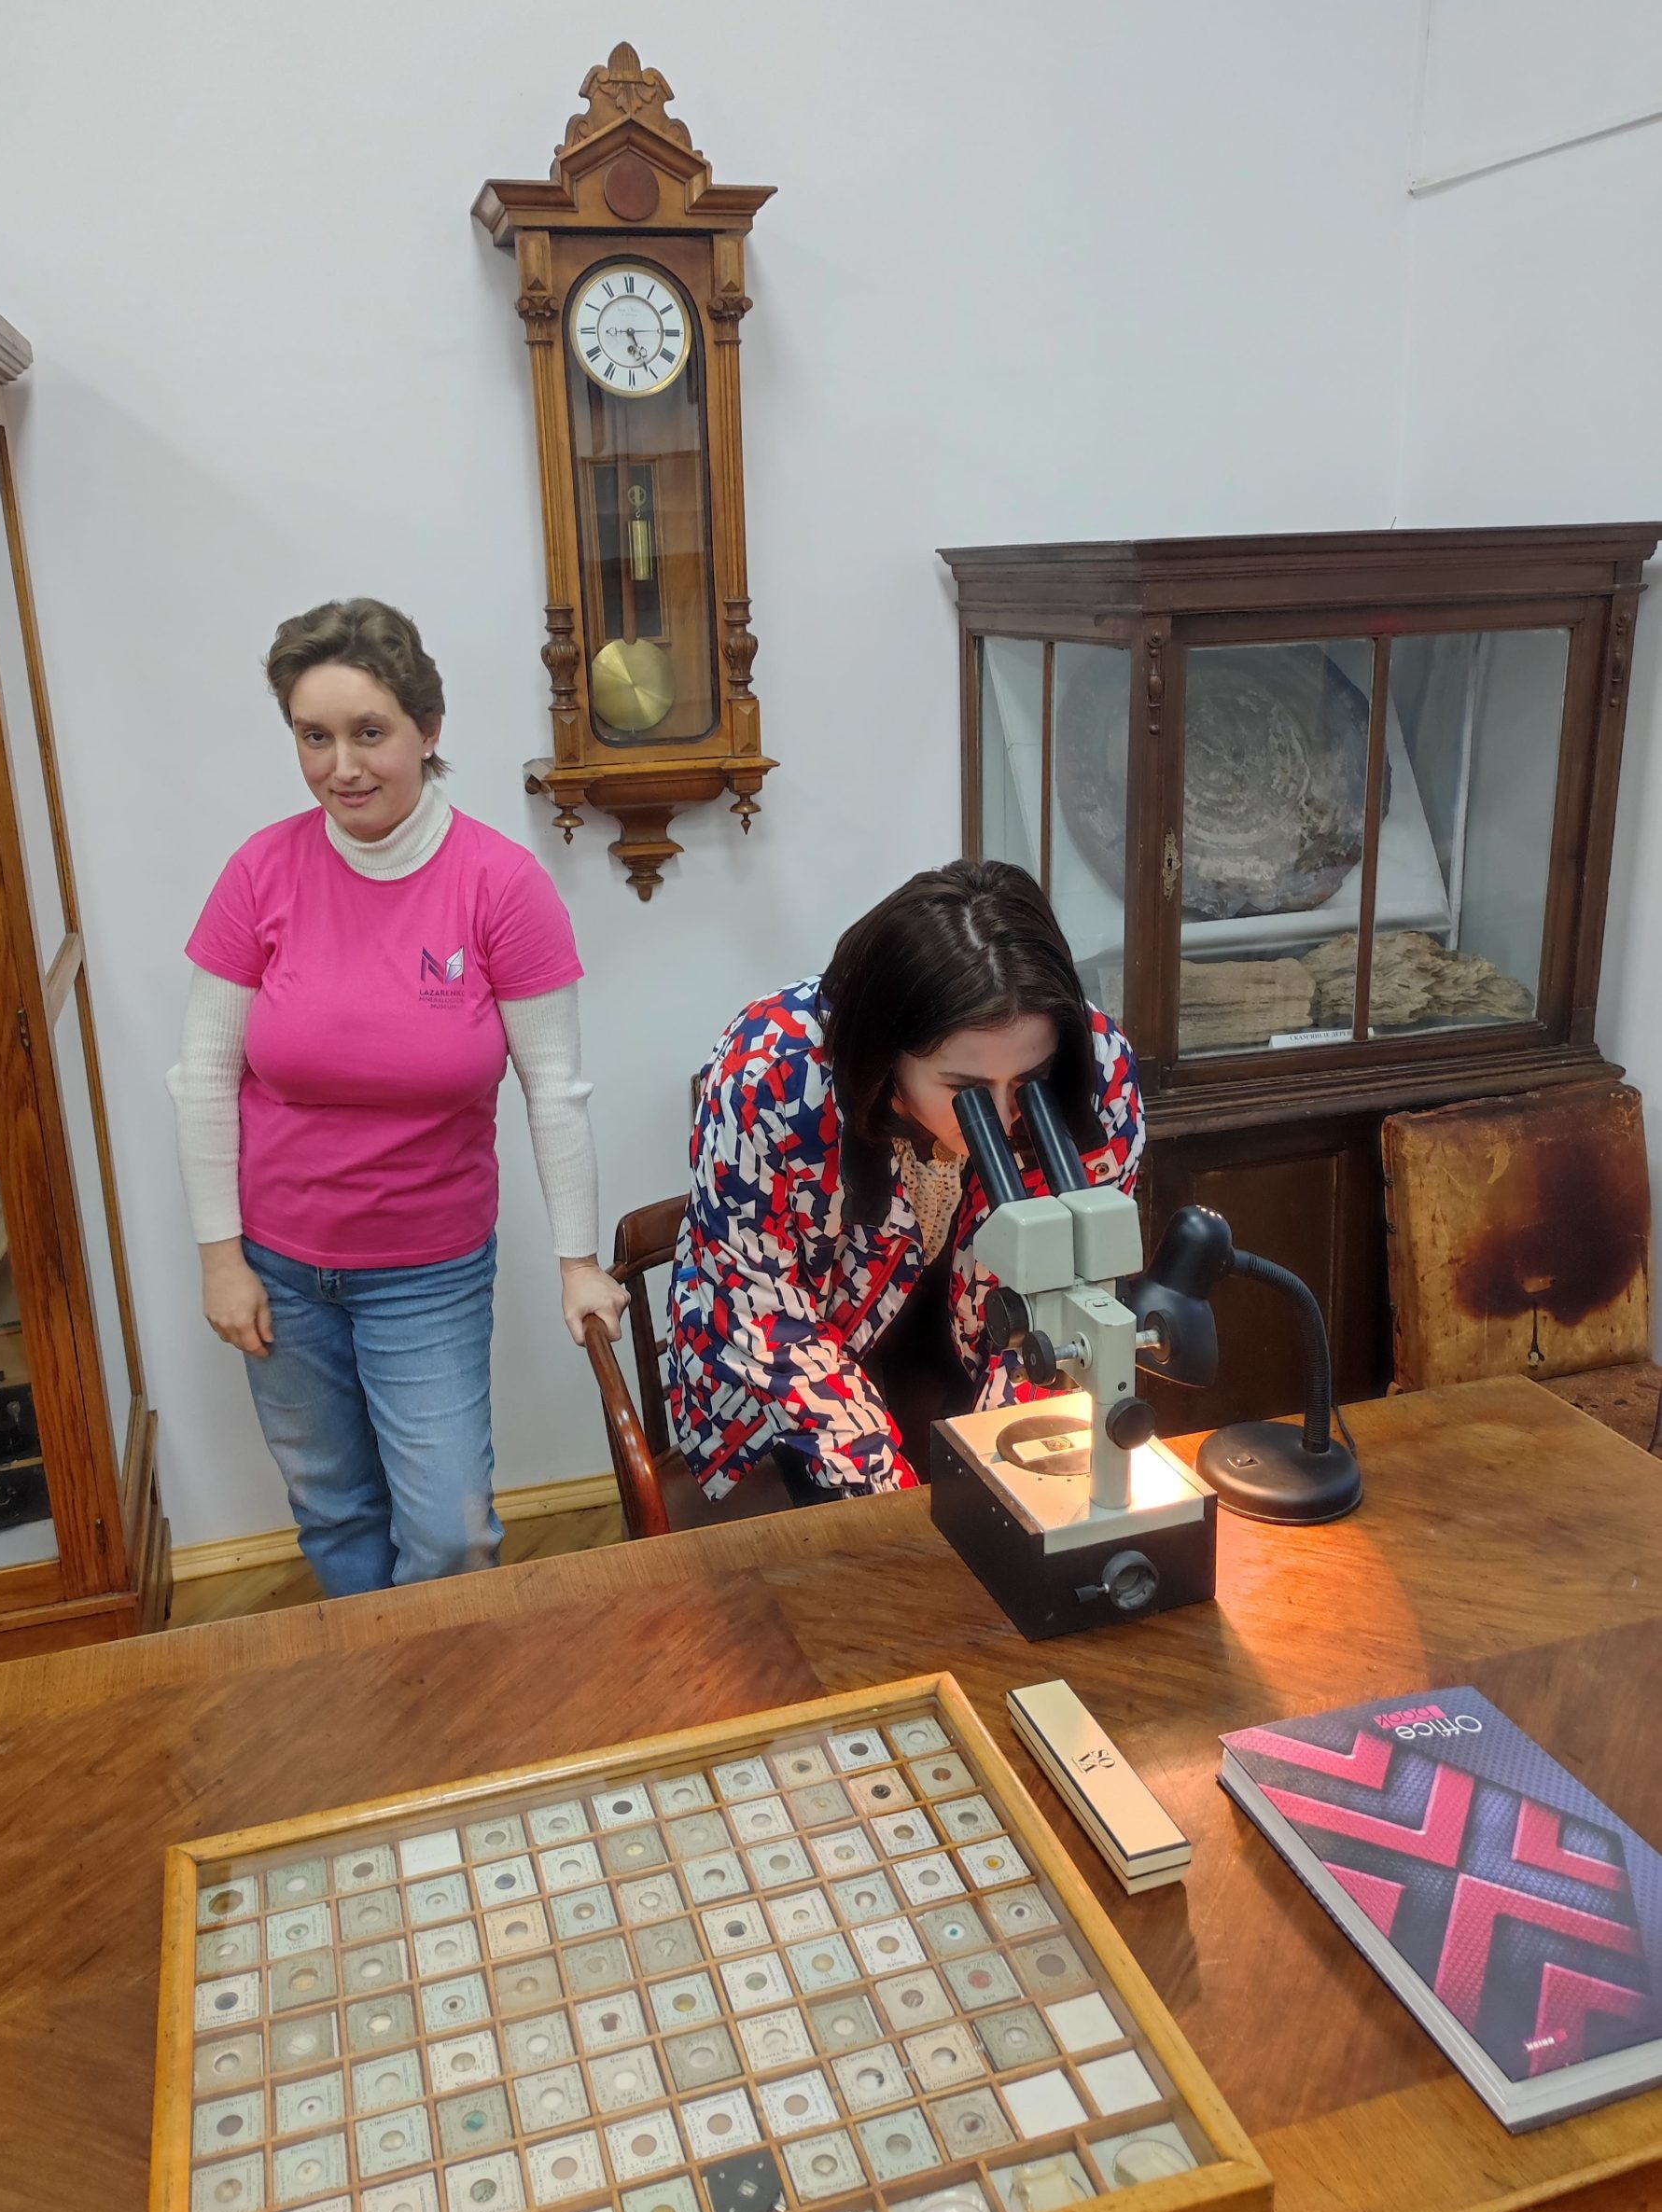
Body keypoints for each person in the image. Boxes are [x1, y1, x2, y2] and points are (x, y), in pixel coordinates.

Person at [169, 597, 627, 1593]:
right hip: (279, 1268)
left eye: (369, 733)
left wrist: (578, 1263)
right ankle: (382, 1687)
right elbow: (202, 1076)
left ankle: (449, 1687)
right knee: (335, 1513)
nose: (342, 766)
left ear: (427, 729)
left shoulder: (501, 885)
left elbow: (554, 1089)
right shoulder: (260, 872)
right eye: (314, 736)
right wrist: (220, 1260)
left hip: (429, 1272)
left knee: (450, 1536)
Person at [668, 860, 1144, 1504]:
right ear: (887, 1053)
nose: (1003, 1118)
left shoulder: (1095, 1069)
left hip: (976, 1329)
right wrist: (889, 1498)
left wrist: (1012, 1463)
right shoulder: (769, 1073)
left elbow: (1068, 1296)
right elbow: (761, 1310)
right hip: (792, 1355)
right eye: (966, 1090)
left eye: (1026, 1082)